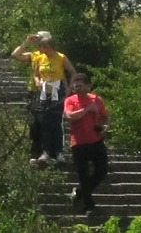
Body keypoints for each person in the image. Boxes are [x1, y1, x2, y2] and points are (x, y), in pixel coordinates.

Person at [11, 31, 71, 165]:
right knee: (36, 123)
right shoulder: (36, 55)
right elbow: (15, 55)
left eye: (40, 39)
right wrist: (27, 42)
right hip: (35, 91)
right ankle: (37, 152)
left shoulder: (57, 56)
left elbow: (64, 74)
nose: (38, 42)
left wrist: (66, 87)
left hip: (50, 90)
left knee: (51, 121)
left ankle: (53, 152)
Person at [63, 67, 109, 212]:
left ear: (88, 86)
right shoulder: (70, 100)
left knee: (102, 171)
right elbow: (70, 116)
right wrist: (87, 109)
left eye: (80, 85)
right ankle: (88, 205)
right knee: (83, 174)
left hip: (96, 140)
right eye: (75, 86)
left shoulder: (97, 99)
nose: (77, 88)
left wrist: (105, 126)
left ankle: (80, 193)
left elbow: (105, 116)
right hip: (79, 142)